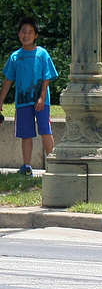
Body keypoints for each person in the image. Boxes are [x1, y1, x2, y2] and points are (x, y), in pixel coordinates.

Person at [0, 17, 58, 175]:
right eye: (23, 32)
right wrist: (1, 100)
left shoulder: (42, 54)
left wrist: (42, 97)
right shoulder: (15, 57)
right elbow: (8, 80)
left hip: (41, 102)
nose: (26, 35)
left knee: (45, 130)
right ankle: (26, 166)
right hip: (22, 103)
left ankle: (53, 164)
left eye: (30, 32)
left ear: (36, 35)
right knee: (26, 134)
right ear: (19, 34)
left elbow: (47, 77)